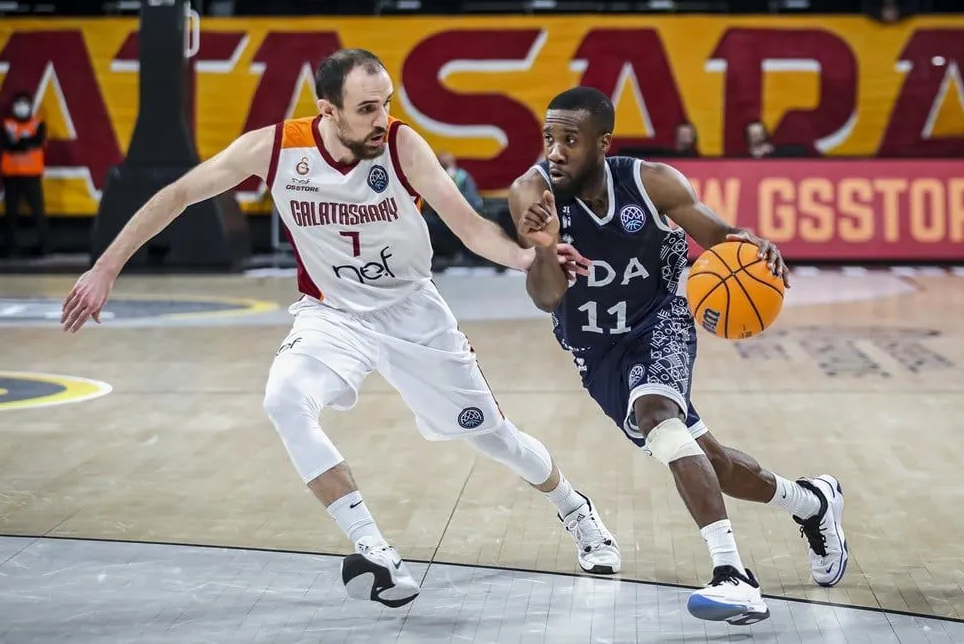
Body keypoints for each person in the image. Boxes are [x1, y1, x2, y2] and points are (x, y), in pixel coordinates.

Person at [59, 50, 621, 608]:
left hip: (412, 312)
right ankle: (374, 548)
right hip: (332, 314)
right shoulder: (276, 147)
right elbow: (179, 194)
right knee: (284, 399)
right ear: (327, 110)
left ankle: (575, 509)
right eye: (367, 108)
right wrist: (107, 267)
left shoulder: (402, 146)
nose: (383, 119)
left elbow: (472, 228)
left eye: (387, 104)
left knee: (492, 437)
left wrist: (530, 259)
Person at [508, 87, 848, 625]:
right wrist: (547, 247)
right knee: (711, 463)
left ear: (602, 142)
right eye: (548, 138)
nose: (554, 151)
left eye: (569, 140)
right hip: (596, 351)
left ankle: (733, 575)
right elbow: (546, 296)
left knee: (659, 418)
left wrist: (751, 243)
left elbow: (720, 238)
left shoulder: (652, 182)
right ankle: (811, 503)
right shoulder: (532, 193)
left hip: (659, 319)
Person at [0, 91, 50, 257]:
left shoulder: (38, 124)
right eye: (18, 103)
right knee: (10, 214)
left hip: (32, 175)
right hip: (11, 176)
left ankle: (45, 247)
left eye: (25, 103)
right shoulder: (6, 124)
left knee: (38, 213)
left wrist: (19, 143)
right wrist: (25, 144)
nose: (21, 107)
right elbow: (6, 145)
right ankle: (10, 249)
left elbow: (37, 141)